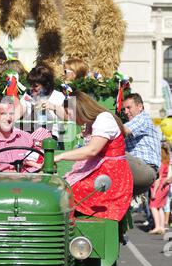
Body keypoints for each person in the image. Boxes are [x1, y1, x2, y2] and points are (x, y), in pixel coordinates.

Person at [54, 91, 133, 221]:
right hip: (102, 169)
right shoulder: (93, 122)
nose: (70, 117)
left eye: (70, 112)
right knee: (63, 187)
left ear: (80, 108)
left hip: (111, 175)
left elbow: (92, 150)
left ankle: (69, 226)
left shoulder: (104, 119)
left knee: (71, 191)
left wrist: (59, 156)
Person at [122, 93, 161, 196]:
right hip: (142, 172)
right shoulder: (132, 123)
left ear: (140, 107)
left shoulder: (143, 118)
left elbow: (123, 130)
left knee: (113, 156)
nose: (126, 112)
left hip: (146, 169)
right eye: (124, 109)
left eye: (129, 107)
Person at [19, 65, 65, 139]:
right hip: (34, 136)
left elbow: (67, 117)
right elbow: (19, 112)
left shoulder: (58, 97)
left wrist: (53, 107)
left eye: (35, 86)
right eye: (30, 85)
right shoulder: (28, 95)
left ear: (46, 85)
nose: (31, 88)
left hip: (54, 138)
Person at [149, 143, 170, 234]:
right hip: (165, 187)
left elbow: (159, 178)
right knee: (160, 207)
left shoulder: (160, 164)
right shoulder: (167, 163)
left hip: (159, 187)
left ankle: (157, 226)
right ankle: (161, 226)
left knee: (153, 206)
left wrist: (154, 192)